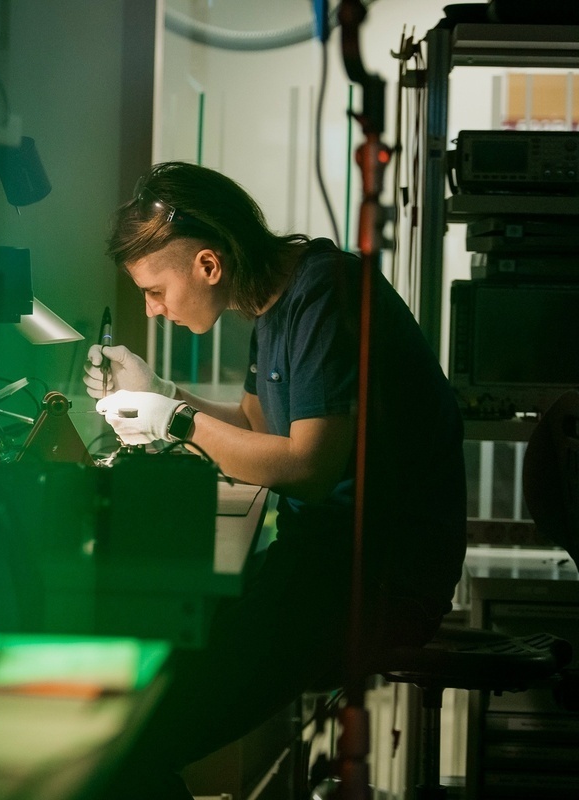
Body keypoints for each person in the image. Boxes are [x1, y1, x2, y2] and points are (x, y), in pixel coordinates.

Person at [81, 161, 466, 796]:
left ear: (208, 264)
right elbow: (258, 425)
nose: (152, 310)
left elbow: (308, 469)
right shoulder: (277, 303)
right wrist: (161, 392)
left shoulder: (327, 295)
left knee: (132, 740)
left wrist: (174, 420)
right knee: (155, 672)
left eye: (155, 290)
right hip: (322, 562)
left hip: (374, 580)